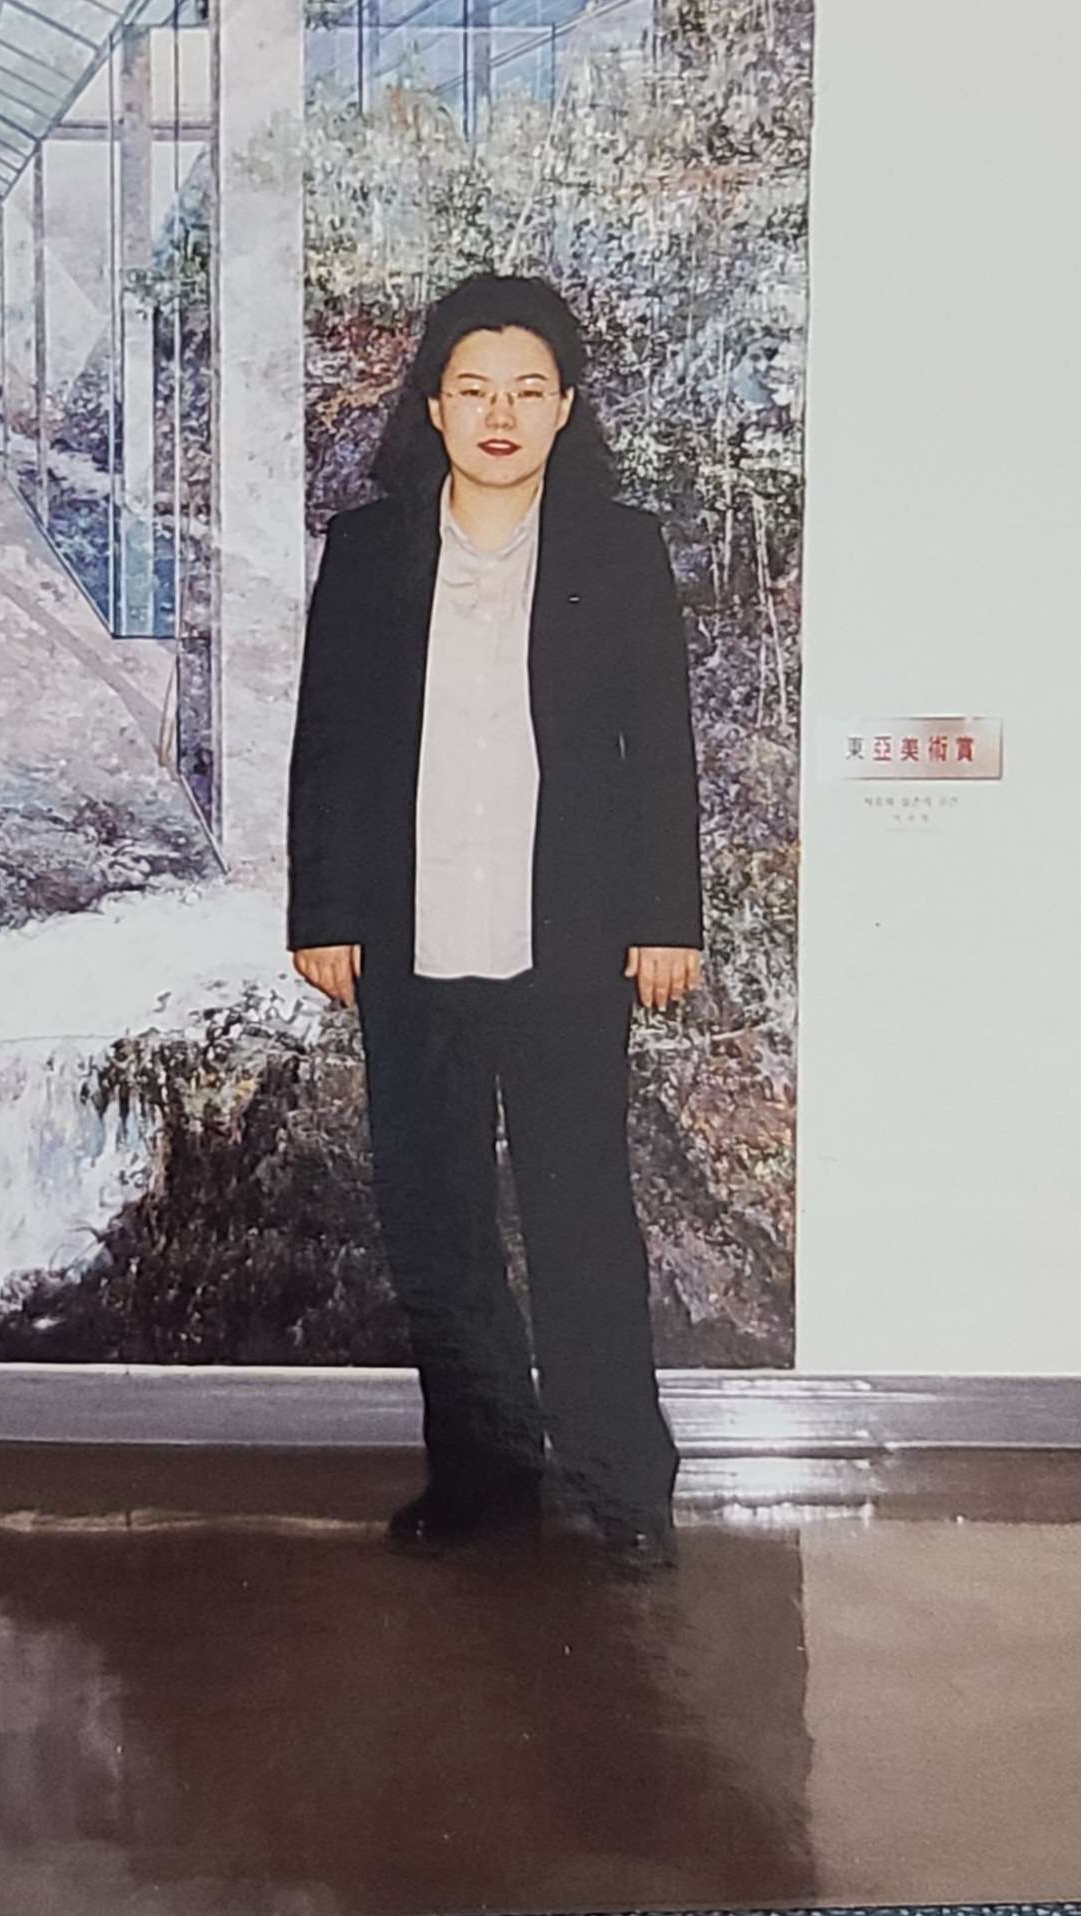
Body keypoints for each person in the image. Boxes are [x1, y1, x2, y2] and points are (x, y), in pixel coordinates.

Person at [287, 272, 703, 1572]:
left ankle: (621, 1483)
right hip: (411, 939)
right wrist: (325, 910)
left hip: (569, 936)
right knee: (436, 1215)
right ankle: (481, 1472)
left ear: (568, 407)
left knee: (581, 1211)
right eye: (476, 389)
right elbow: (332, 750)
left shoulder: (616, 550)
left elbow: (662, 756)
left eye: (529, 389)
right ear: (435, 405)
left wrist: (666, 918)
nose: (502, 414)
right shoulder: (369, 551)